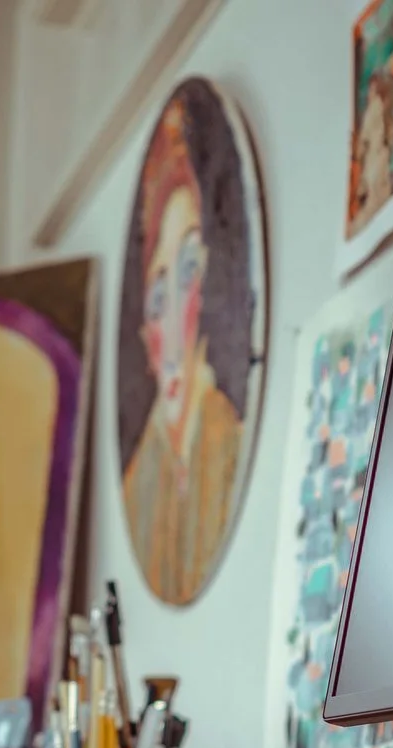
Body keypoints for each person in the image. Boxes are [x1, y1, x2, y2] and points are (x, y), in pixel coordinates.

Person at [122, 96, 245, 606]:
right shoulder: (137, 486)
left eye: (190, 273)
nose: (172, 325)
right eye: (157, 296)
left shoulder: (227, 443)